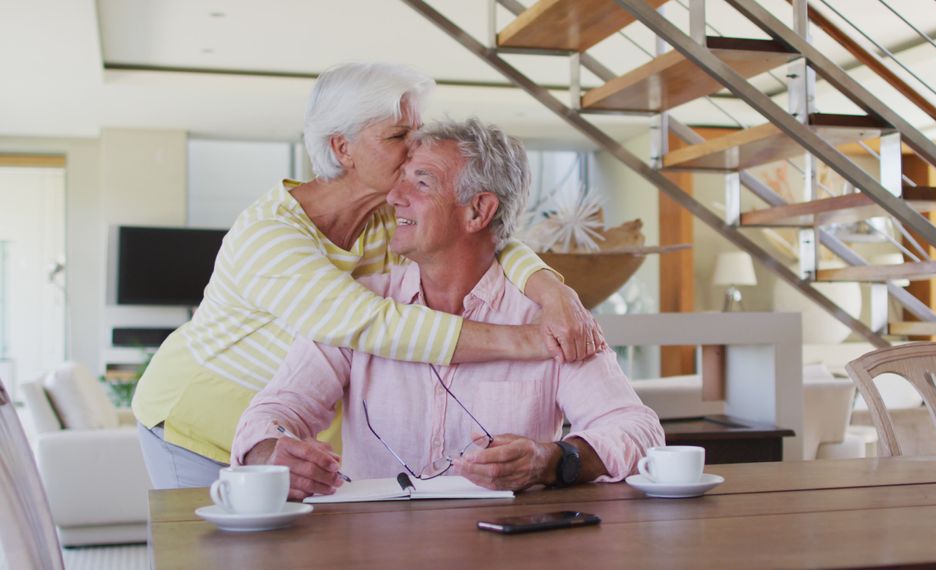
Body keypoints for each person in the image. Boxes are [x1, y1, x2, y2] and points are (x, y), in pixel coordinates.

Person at [131, 63, 603, 489]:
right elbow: (374, 326)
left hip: (294, 437)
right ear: (343, 148)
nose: (416, 147)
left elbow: (483, 237)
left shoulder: (385, 218)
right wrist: (529, 341)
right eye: (399, 136)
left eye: (416, 131)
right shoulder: (269, 236)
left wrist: (552, 289)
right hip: (200, 425)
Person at [233, 118, 664, 498]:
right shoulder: (359, 309)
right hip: (373, 548)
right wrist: (271, 453)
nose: (393, 197)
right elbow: (272, 414)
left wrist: (552, 459)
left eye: (421, 182)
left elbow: (639, 432)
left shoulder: (552, 321)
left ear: (478, 210)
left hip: (507, 548)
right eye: (399, 179)